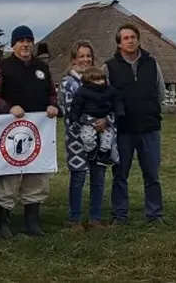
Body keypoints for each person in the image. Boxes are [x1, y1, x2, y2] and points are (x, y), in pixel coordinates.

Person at [0, 25, 60, 238]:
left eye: (29, 41)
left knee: (37, 176)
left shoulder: (42, 67)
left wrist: (52, 105)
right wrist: (8, 107)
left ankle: (32, 222)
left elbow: (52, 93)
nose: (26, 44)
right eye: (21, 41)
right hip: (11, 131)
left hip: (39, 131)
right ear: (13, 45)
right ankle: (2, 222)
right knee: (10, 177)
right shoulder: (2, 67)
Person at [104, 24, 166, 225]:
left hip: (149, 127)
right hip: (123, 129)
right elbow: (105, 97)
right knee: (120, 175)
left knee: (152, 174)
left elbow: (161, 92)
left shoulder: (152, 64)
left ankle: (154, 214)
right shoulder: (109, 67)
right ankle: (120, 215)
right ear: (119, 43)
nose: (130, 41)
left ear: (138, 40)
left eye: (133, 37)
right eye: (125, 38)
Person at [59, 41, 108, 230]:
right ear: (74, 59)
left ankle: (95, 218)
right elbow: (72, 110)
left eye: (88, 56)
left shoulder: (101, 80)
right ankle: (75, 219)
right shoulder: (68, 83)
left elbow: (110, 103)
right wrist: (96, 120)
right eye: (81, 56)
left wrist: (106, 119)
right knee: (78, 178)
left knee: (98, 177)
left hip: (100, 136)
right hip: (76, 138)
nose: (85, 59)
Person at [69, 67, 123, 167]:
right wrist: (74, 119)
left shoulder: (110, 90)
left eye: (102, 79)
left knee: (107, 138)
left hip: (105, 119)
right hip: (88, 119)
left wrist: (119, 112)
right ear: (88, 80)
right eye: (97, 79)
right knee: (86, 137)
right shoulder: (82, 91)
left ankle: (104, 154)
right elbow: (76, 106)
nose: (100, 82)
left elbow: (117, 102)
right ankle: (91, 151)